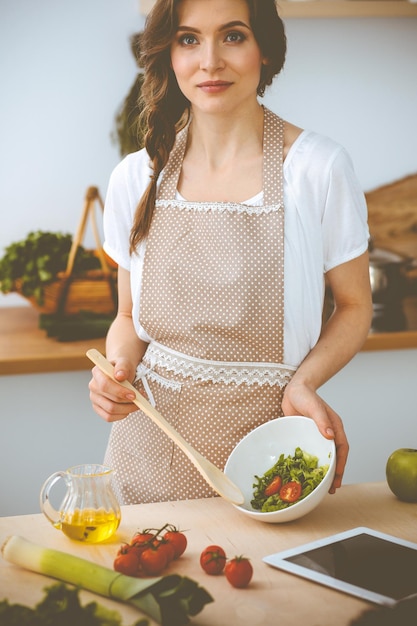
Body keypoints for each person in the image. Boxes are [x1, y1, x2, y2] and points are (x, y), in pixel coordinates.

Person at [89, 0, 372, 505]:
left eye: (234, 36)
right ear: (168, 54)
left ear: (265, 49)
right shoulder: (136, 176)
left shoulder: (316, 169)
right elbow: (129, 317)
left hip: (270, 451)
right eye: (189, 39)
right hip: (148, 452)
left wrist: (305, 382)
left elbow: (354, 305)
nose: (211, 61)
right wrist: (115, 370)